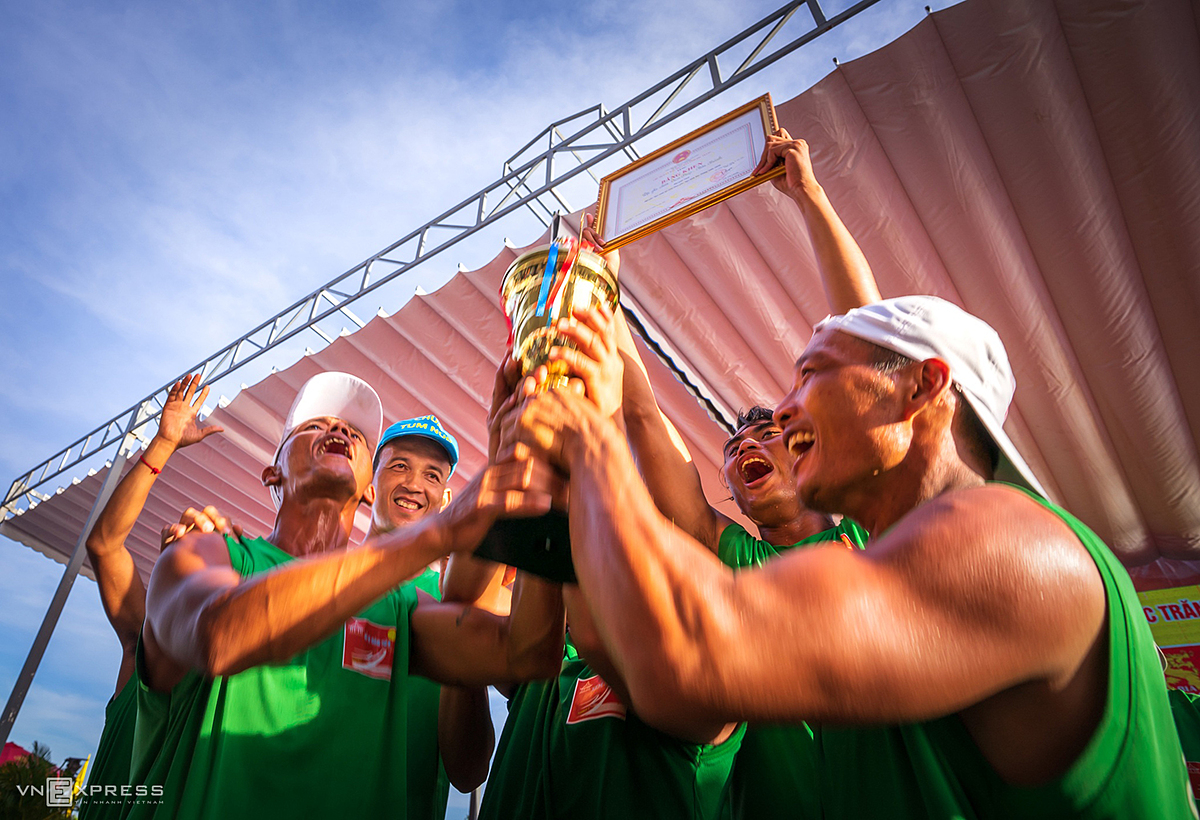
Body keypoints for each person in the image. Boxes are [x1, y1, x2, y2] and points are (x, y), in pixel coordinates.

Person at [497, 295, 1195, 817]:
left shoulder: (1005, 543)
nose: (787, 409)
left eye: (811, 375)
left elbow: (689, 653)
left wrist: (588, 453)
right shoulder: (902, 561)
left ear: (923, 387)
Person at [127, 371, 561, 819]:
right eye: (315, 425)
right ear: (272, 471)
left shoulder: (399, 607)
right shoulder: (207, 551)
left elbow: (526, 653)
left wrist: (547, 473)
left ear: (364, 490)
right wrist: (438, 533)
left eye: (355, 433)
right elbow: (218, 636)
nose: (338, 430)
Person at [77, 374, 221, 820]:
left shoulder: (221, 674)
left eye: (200, 538)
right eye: (177, 532)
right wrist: (163, 443)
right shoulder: (139, 638)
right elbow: (102, 544)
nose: (184, 533)